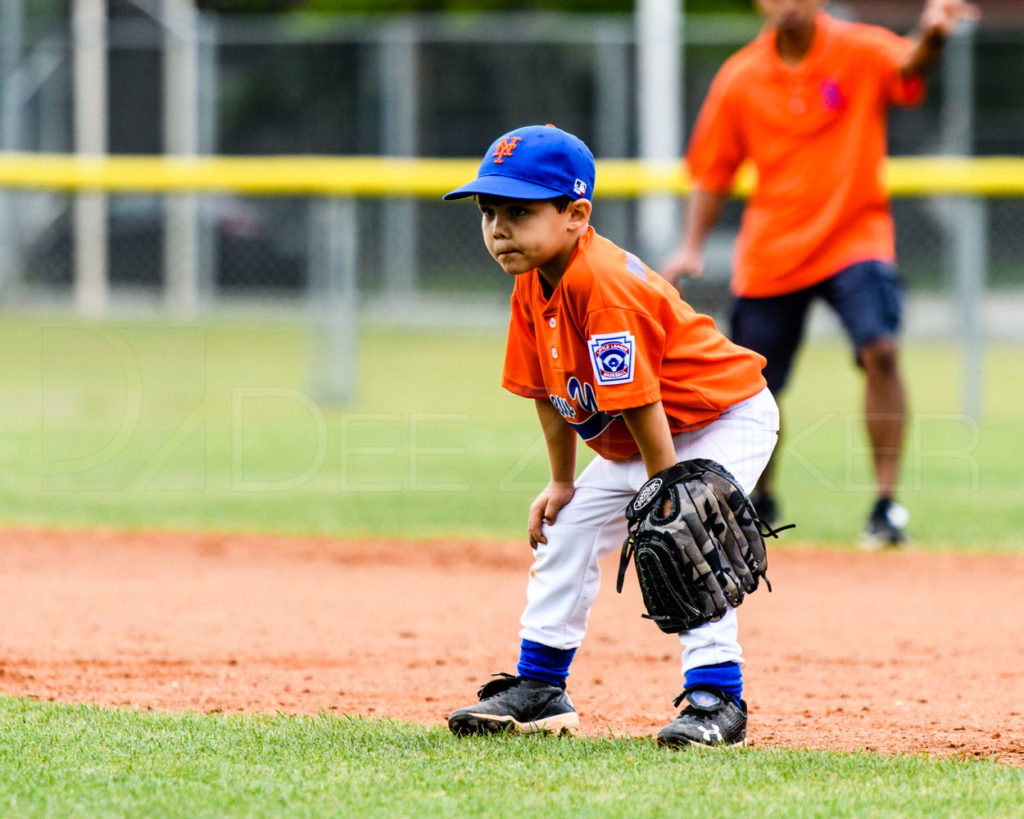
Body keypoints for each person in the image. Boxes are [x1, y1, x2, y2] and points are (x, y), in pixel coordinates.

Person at [442, 124, 779, 747]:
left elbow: (643, 399)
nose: (498, 228)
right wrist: (563, 481)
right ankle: (540, 689)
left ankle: (717, 699)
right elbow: (546, 393)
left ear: (576, 214)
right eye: (489, 212)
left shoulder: (603, 285)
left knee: (688, 532)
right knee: (566, 530)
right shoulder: (530, 283)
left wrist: (667, 488)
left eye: (519, 211)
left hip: (722, 414)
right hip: (647, 433)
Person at [660, 0, 979, 549]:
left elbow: (909, 68)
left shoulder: (856, 47)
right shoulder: (741, 76)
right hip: (774, 249)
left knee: (880, 351)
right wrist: (690, 246)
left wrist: (933, 36)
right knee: (755, 384)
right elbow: (713, 171)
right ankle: (757, 502)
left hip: (854, 236)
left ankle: (885, 505)